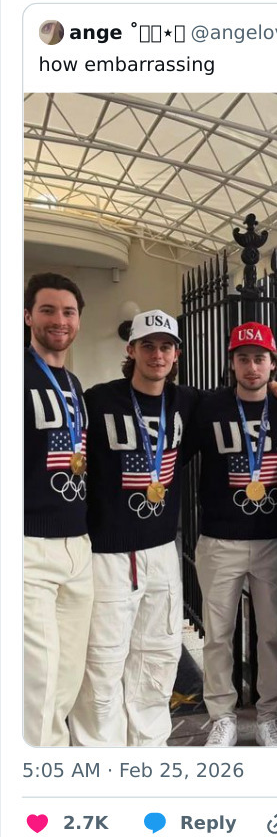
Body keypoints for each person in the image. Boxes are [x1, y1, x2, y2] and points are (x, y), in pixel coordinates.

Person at [69, 310, 199, 746]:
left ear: (176, 354)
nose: (157, 354)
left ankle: (148, 755)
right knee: (103, 662)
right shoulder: (99, 400)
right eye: (148, 345)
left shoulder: (185, 403)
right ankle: (100, 762)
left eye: (165, 347)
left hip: (162, 550)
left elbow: (240, 402)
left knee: (157, 659)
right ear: (131, 350)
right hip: (109, 552)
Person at [192, 322, 277, 747]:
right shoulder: (209, 407)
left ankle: (268, 717)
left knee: (272, 632)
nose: (252, 366)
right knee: (218, 633)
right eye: (243, 358)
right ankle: (221, 716)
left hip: (274, 539)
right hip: (220, 539)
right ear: (231, 363)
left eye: (260, 358)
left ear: (273, 363)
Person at [24, 272, 92, 746]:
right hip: (29, 545)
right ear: (27, 316)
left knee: (67, 675)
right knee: (37, 678)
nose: (59, 320)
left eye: (68, 312)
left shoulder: (72, 382)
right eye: (48, 310)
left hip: (77, 545)